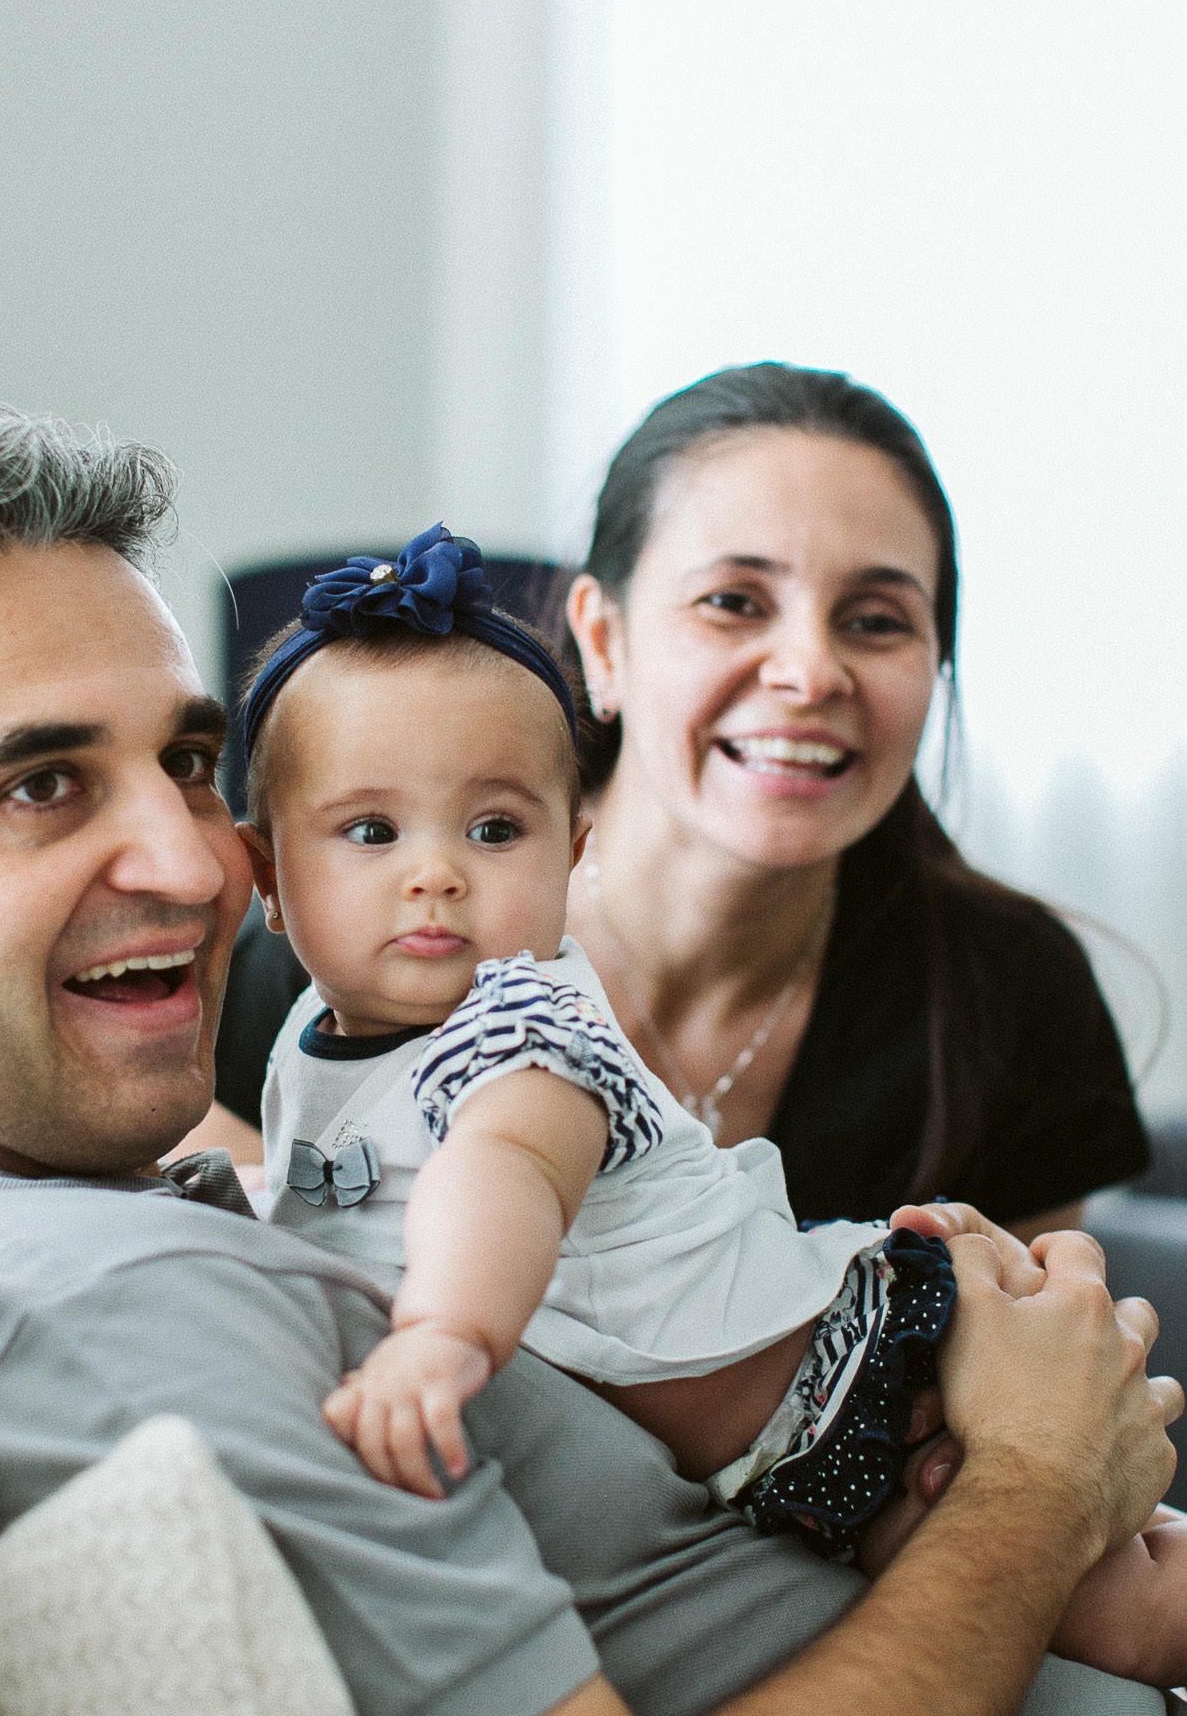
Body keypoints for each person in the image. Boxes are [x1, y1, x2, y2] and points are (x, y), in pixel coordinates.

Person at [0, 398, 1180, 1716]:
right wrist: (1029, 1488)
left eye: (190, 763)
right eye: (42, 784)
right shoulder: (120, 1315)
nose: (204, 868)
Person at [238, 521, 1187, 1685]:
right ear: (268, 877)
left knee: (1128, 1616)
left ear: (570, 851)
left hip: (861, 1383)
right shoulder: (306, 1034)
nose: (436, 873)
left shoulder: (523, 1028)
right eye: (370, 832)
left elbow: (506, 1175)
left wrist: (442, 1336)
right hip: (770, 1463)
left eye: (495, 830)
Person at [206, 364, 1149, 1241]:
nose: (811, 673)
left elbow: (1034, 1352)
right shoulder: (338, 950)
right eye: (734, 602)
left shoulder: (1013, 994)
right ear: (602, 639)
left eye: (875, 621)